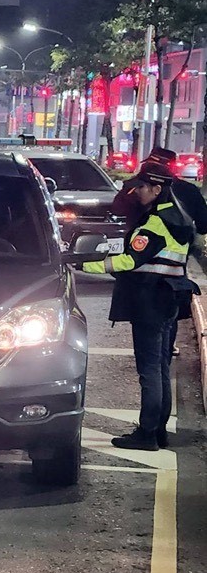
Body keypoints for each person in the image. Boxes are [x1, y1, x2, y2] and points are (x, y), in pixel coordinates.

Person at [82, 161, 197, 451]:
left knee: (149, 370)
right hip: (168, 300)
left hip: (149, 302)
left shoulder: (155, 223)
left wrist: (84, 264)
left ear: (157, 189)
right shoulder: (179, 218)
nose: (138, 192)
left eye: (143, 187)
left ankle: (146, 434)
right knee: (161, 368)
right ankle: (158, 431)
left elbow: (129, 261)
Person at [111, 147, 207, 356]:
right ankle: (164, 349)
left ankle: (155, 355)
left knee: (148, 317)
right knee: (168, 308)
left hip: (141, 264)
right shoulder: (185, 190)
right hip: (173, 265)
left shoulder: (142, 188)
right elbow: (203, 225)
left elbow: (117, 209)